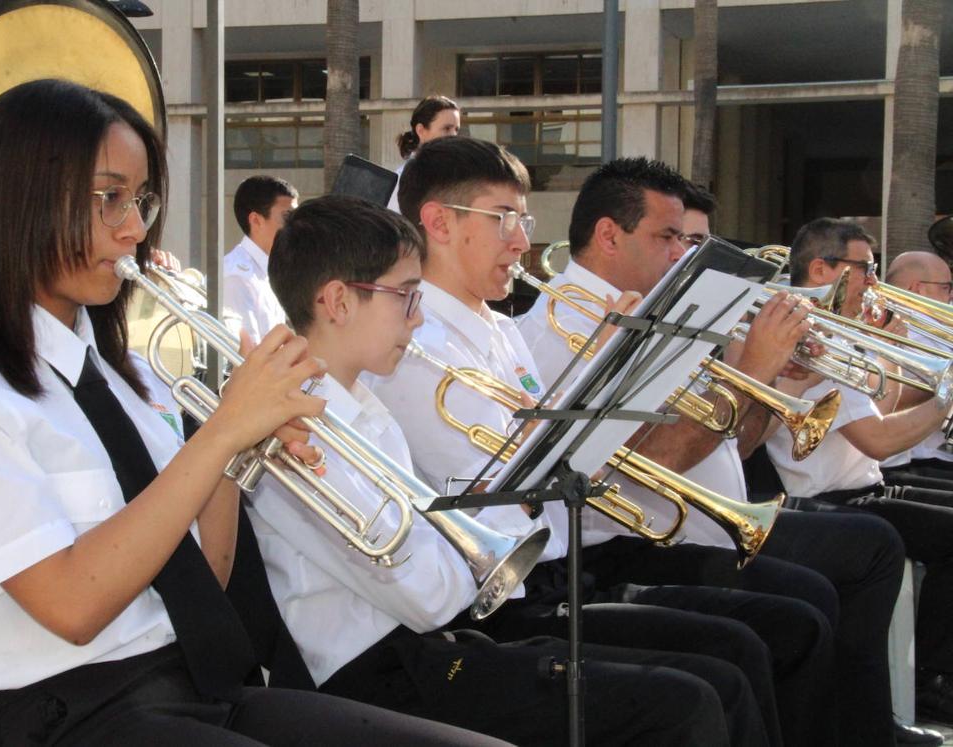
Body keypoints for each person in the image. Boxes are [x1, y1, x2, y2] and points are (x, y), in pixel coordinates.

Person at [0, 78, 510, 747]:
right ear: (22, 197)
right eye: (110, 198)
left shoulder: (128, 377)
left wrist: (238, 445)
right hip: (61, 718)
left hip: (196, 688)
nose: (135, 229)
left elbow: (207, 578)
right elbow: (73, 606)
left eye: (141, 200)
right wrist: (220, 434)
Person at [367, 138, 854, 747]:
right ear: (439, 223)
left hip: (562, 571)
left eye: (523, 222)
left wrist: (604, 382)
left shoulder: (496, 327)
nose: (520, 243)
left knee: (756, 645)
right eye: (503, 219)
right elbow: (511, 499)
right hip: (513, 595)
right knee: (720, 677)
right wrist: (599, 383)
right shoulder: (420, 347)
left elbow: (560, 460)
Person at [257, 192, 769, 746]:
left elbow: (426, 554)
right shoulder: (303, 431)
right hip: (379, 674)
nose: (418, 316)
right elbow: (427, 596)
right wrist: (510, 501)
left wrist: (487, 507)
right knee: (684, 703)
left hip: (428, 646)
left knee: (708, 683)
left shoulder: (360, 406)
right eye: (405, 296)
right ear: (337, 301)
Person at [517, 161, 915, 747]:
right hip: (631, 545)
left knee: (830, 587)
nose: (682, 254)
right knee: (802, 612)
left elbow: (734, 443)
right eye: (668, 237)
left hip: (706, 523)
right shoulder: (563, 326)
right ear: (608, 235)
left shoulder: (658, 312)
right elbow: (647, 465)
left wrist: (767, 381)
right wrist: (752, 370)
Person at [766, 218, 953, 728]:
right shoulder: (809, 332)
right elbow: (879, 440)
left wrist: (884, 361)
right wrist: (944, 397)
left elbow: (876, 416)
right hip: (832, 498)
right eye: (866, 269)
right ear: (821, 270)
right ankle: (931, 683)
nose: (875, 282)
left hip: (864, 484)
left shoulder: (838, 329)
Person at [879, 251, 953, 483]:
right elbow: (884, 400)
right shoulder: (898, 326)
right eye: (946, 287)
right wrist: (944, 388)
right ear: (918, 288)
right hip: (918, 459)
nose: (950, 295)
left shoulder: (936, 326)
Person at [222, 175, 298, 344]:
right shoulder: (236, 277)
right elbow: (247, 352)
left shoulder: (269, 272)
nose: (296, 226)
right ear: (256, 220)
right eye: (287, 217)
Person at [388, 95, 460, 214]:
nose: (453, 136)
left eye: (456, 130)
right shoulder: (402, 181)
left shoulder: (454, 178)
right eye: (446, 128)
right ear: (421, 131)